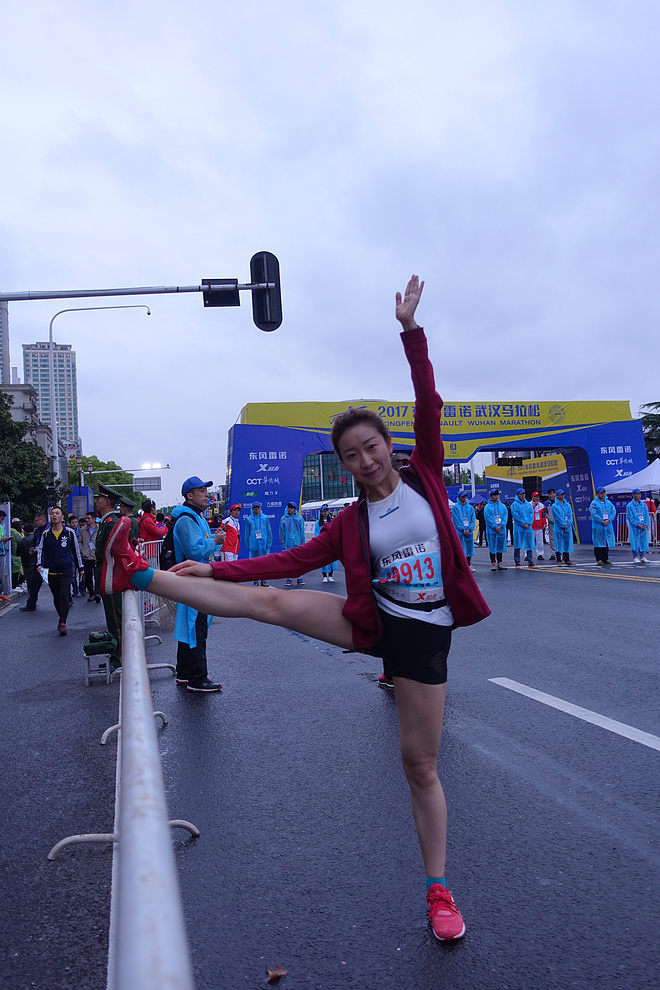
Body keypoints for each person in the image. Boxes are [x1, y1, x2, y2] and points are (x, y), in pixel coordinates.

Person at [101, 275, 490, 942]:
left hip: (426, 639)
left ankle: (438, 890)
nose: (364, 461)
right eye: (350, 456)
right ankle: (136, 574)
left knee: (420, 765)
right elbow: (287, 565)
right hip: (373, 624)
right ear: (343, 466)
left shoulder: (426, 473)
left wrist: (410, 331)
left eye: (370, 448)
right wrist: (216, 565)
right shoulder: (348, 522)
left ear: (387, 446)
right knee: (272, 604)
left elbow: (430, 398)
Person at [172, 476, 225, 693]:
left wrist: (212, 540)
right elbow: (194, 550)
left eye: (206, 490)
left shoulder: (196, 517)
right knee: (196, 628)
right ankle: (198, 678)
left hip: (195, 580)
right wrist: (215, 542)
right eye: (201, 490)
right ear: (190, 495)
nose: (207, 494)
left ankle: (184, 673)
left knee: (191, 626)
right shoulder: (187, 519)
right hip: (192, 580)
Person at [37, 506, 84, 634]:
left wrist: (80, 567)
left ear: (62, 517)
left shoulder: (69, 533)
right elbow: (42, 551)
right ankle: (60, 616)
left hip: (66, 570)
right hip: (51, 570)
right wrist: (39, 564)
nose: (54, 516)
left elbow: (76, 551)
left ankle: (63, 622)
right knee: (56, 597)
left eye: (57, 513)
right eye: (52, 514)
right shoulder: (46, 534)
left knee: (64, 595)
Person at [95, 485, 124, 668]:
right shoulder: (106, 522)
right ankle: (116, 654)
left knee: (115, 618)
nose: (96, 501)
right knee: (111, 616)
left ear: (106, 501)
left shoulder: (111, 523)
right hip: (106, 573)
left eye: (99, 498)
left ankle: (119, 657)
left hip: (110, 575)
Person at [19, 511, 48, 611]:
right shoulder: (38, 531)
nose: (35, 523)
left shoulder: (49, 530)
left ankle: (66, 600)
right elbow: (37, 544)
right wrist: (35, 549)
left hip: (49, 561)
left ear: (42, 520)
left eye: (36, 521)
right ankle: (31, 603)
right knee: (34, 582)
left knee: (55, 583)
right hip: (38, 561)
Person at [244, 502, 272, 587]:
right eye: (255, 508)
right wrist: (248, 545)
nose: (256, 509)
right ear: (252, 509)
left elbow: (268, 531)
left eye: (258, 507)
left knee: (264, 563)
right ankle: (255, 579)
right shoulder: (249, 519)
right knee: (254, 563)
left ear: (260, 508)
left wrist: (269, 543)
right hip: (254, 544)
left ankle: (264, 580)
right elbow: (247, 534)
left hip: (263, 544)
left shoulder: (265, 518)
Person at [280, 502, 306, 587]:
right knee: (288, 561)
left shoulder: (299, 519)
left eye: (291, 508)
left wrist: (303, 543)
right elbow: (281, 532)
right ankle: (289, 578)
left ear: (295, 509)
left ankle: (300, 577)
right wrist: (283, 543)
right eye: (288, 507)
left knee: (298, 560)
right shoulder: (283, 519)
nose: (289, 509)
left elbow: (302, 533)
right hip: (288, 544)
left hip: (297, 543)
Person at [589, 487, 616, 565]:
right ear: (597, 494)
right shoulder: (594, 503)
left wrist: (608, 520)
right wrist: (601, 520)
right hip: (598, 526)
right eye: (600, 493)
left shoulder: (609, 503)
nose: (602, 494)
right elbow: (594, 514)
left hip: (607, 526)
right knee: (598, 543)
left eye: (603, 493)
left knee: (606, 543)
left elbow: (613, 512)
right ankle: (599, 559)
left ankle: (606, 558)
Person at [451, 490, 476, 571]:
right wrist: (462, 529)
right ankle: (461, 565)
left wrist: (469, 529)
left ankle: (469, 564)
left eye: (465, 496)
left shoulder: (470, 508)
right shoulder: (455, 507)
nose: (464, 498)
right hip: (459, 531)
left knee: (469, 548)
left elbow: (473, 519)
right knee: (460, 548)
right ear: (459, 498)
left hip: (469, 531)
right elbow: (455, 520)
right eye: (462, 497)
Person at [79, 511, 101, 602]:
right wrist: (82, 550)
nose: (87, 520)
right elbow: (79, 541)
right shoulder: (83, 529)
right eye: (86, 518)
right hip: (87, 556)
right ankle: (91, 593)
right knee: (88, 577)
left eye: (88, 518)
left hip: (96, 556)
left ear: (94, 519)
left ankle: (97, 593)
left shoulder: (99, 529)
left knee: (97, 576)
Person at [484, 488, 508, 570]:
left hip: (501, 529)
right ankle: (493, 562)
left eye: (497, 495)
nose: (496, 496)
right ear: (491, 496)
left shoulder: (503, 506)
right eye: (494, 495)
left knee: (500, 545)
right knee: (492, 546)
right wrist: (495, 526)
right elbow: (488, 518)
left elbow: (505, 517)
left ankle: (500, 562)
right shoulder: (487, 507)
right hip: (492, 530)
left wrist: (501, 526)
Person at [511, 488, 535, 567]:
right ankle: (517, 561)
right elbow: (516, 516)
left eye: (524, 494)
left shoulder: (528, 504)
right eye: (521, 494)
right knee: (517, 545)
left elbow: (531, 515)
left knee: (529, 544)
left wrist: (528, 523)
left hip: (528, 527)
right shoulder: (514, 504)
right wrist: (523, 523)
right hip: (519, 527)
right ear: (517, 495)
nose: (522, 495)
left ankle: (530, 561)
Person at [315, 505, 339, 583]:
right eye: (324, 511)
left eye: (326, 511)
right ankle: (324, 575)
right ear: (321, 512)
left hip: (331, 543)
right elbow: (317, 533)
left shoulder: (332, 521)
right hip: (323, 543)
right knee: (323, 560)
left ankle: (331, 575)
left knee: (332, 560)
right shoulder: (317, 523)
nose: (325, 512)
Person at [626, 489, 651, 563]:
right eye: (637, 494)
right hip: (635, 527)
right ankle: (635, 556)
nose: (639, 495)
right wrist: (637, 524)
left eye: (640, 494)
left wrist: (646, 524)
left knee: (642, 541)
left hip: (643, 526)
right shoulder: (630, 505)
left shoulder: (644, 505)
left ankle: (642, 556)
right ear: (633, 495)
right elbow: (630, 517)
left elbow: (647, 515)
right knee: (635, 541)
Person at [552, 490, 574, 566]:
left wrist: (568, 523)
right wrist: (563, 525)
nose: (562, 496)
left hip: (567, 527)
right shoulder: (555, 506)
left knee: (566, 542)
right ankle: (558, 560)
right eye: (560, 495)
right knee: (558, 543)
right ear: (557, 496)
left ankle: (567, 559)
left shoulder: (567, 505)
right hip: (559, 527)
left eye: (563, 494)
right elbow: (557, 517)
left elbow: (570, 515)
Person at [10, 519, 25, 592]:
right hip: (17, 555)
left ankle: (15, 585)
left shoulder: (10, 532)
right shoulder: (17, 534)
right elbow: (23, 541)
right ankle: (15, 585)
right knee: (17, 571)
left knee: (15, 571)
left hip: (12, 554)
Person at [531, 492, 546, 560]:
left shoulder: (541, 505)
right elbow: (528, 513)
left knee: (540, 541)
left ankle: (540, 554)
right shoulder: (528, 505)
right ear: (532, 497)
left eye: (538, 497)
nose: (537, 498)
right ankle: (528, 554)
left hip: (539, 525)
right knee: (530, 541)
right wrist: (534, 505)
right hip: (531, 525)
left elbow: (543, 516)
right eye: (535, 497)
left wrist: (544, 523)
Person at [544, 489, 557, 560]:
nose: (551, 495)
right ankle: (553, 554)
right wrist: (549, 518)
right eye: (549, 494)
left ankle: (562, 553)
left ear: (555, 494)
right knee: (552, 539)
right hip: (551, 523)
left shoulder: (559, 502)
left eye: (552, 494)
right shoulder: (546, 503)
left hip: (560, 524)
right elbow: (545, 513)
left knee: (561, 539)